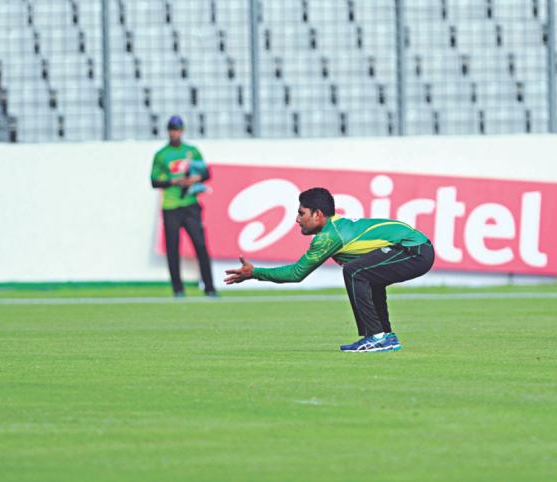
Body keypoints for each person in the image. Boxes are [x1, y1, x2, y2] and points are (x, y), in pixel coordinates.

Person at [224, 187, 435, 352]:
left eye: (301, 213)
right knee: (366, 274)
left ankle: (377, 337)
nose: (297, 219)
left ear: (317, 215)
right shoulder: (336, 226)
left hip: (414, 251)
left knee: (355, 271)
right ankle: (384, 336)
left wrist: (255, 273)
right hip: (416, 247)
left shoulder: (329, 236)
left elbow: (296, 274)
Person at [150, 115, 217, 297]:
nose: (175, 133)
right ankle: (178, 289)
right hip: (171, 206)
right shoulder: (161, 155)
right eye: (172, 129)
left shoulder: (192, 151)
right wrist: (174, 181)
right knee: (173, 249)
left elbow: (206, 173)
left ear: (182, 131)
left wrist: (195, 179)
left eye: (178, 130)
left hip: (190, 204)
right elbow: (154, 181)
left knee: (200, 246)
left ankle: (209, 287)